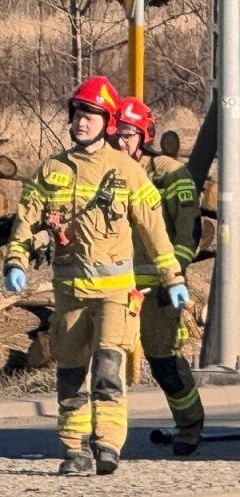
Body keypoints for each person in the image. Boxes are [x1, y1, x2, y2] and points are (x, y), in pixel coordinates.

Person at [2, 77, 187, 476]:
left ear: (107, 121)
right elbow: (27, 218)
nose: (82, 121)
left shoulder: (127, 172)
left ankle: (107, 444)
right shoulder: (52, 170)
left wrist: (172, 278)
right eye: (78, 113)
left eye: (92, 115)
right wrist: (15, 260)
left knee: (107, 368)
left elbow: (154, 230)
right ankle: (73, 450)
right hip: (69, 294)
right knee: (70, 373)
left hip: (116, 294)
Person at [113, 97, 205, 454]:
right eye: (116, 135)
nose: (120, 142)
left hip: (158, 288)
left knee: (164, 360)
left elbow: (188, 232)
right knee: (105, 359)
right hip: (115, 284)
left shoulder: (169, 173)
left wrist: (174, 278)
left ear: (143, 136)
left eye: (128, 135)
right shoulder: (106, 172)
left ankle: (189, 426)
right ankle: (105, 437)